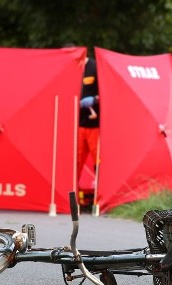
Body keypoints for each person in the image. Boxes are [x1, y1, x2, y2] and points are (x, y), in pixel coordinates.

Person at [77, 55, 100, 206]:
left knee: (98, 162)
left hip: (95, 125)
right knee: (75, 162)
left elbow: (106, 92)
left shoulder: (94, 67)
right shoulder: (70, 69)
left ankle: (99, 200)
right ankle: (74, 199)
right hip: (78, 124)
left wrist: (94, 100)